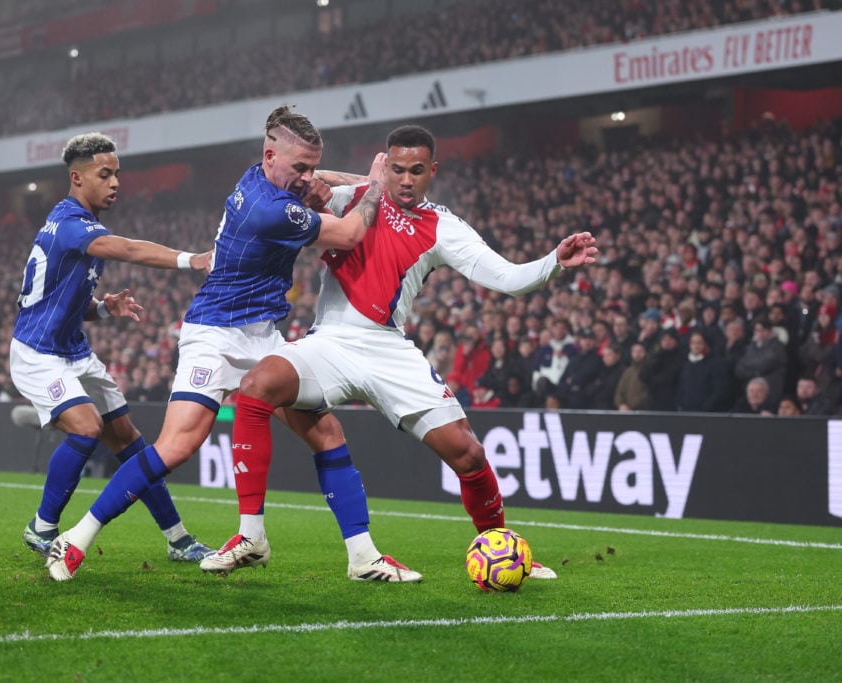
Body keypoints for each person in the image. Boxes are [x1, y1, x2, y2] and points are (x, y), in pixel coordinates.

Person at [201, 124, 597, 581]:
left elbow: (506, 279)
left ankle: (501, 546)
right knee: (256, 387)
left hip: (389, 348)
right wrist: (359, 181)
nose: (405, 180)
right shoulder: (352, 198)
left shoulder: (443, 226)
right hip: (330, 341)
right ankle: (251, 534)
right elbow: (301, 181)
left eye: (416, 171)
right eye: (396, 170)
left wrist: (553, 262)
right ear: (383, 165)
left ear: (432, 171)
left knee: (467, 454)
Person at [45, 107, 420, 583]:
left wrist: (368, 179)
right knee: (178, 446)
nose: (306, 176)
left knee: (327, 435)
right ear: (270, 156)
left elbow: (323, 176)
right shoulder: (271, 209)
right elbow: (348, 235)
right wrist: (379, 188)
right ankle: (75, 538)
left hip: (263, 337)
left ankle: (362, 557)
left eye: (309, 166)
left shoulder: (263, 176)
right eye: (299, 168)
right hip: (216, 333)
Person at [12, 132, 214, 563]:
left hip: (73, 350)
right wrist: (190, 259)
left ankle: (178, 539)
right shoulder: (72, 223)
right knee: (87, 429)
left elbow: (61, 301)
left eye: (117, 174)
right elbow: (128, 249)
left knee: (130, 441)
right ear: (77, 178)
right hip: (38, 352)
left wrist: (103, 309)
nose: (115, 182)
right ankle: (41, 527)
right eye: (105, 175)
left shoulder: (78, 225)